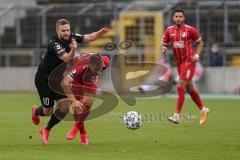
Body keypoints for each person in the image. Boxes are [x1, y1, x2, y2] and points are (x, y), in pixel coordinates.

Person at [31, 18, 109, 144]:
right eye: (63, 31)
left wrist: (99, 33)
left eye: (68, 30)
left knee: (64, 107)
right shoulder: (54, 44)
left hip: (57, 79)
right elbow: (67, 59)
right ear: (57, 30)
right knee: (48, 111)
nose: (66, 33)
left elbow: (88, 37)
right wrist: (73, 48)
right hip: (44, 80)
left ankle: (46, 130)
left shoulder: (71, 37)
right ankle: (35, 111)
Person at [161, 9, 209, 124]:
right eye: (176, 16)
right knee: (190, 89)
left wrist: (197, 55)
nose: (178, 18)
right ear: (173, 18)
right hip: (179, 63)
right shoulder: (169, 31)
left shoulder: (190, 30)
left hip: (189, 61)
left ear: (184, 18)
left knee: (180, 86)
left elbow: (200, 43)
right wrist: (163, 48)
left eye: (180, 16)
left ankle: (176, 115)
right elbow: (164, 43)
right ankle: (204, 109)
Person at [61, 53, 110, 145]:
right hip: (77, 79)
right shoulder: (80, 66)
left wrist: (95, 72)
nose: (98, 72)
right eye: (96, 70)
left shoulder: (104, 62)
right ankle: (83, 133)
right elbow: (64, 82)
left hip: (90, 78)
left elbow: (100, 66)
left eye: (100, 70)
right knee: (77, 107)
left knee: (87, 103)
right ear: (90, 65)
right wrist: (74, 100)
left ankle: (76, 126)